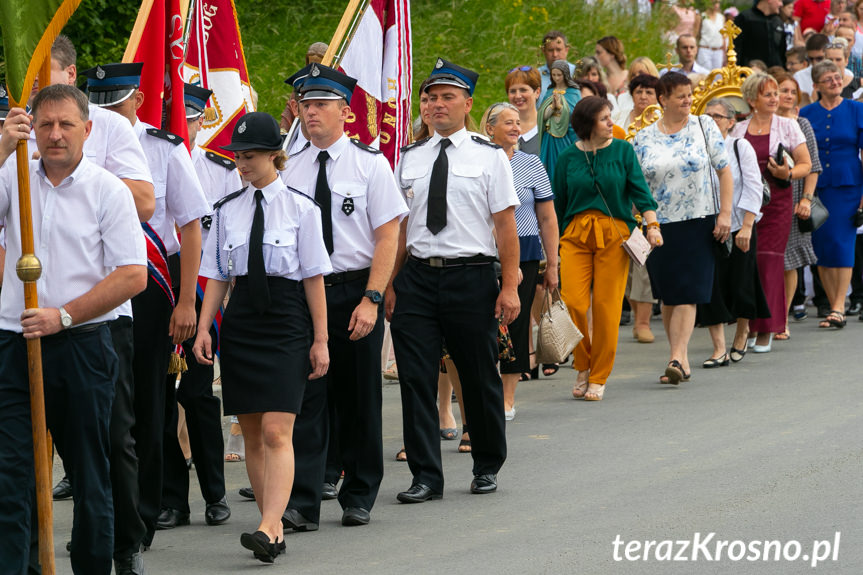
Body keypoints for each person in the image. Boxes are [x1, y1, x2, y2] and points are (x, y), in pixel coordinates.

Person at [0, 85, 147, 575]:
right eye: (45, 125)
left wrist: (62, 314)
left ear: (88, 129)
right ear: (32, 132)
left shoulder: (108, 190)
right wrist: (2, 148)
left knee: (89, 474)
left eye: (66, 124)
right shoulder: (13, 177)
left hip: (82, 343)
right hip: (14, 342)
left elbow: (132, 274)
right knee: (11, 473)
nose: (55, 134)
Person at [192, 111, 330, 562]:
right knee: (251, 429)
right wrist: (203, 328)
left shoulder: (302, 208)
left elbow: (313, 277)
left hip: (287, 319)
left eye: (250, 156)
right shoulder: (226, 209)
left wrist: (321, 338)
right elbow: (214, 275)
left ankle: (272, 525)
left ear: (275, 156)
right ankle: (268, 525)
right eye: (237, 156)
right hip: (243, 321)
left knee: (276, 428)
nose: (242, 165)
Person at [85, 62, 213, 546]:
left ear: (137, 100)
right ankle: (106, 516)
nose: (107, 113)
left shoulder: (163, 149)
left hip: (153, 292)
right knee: (103, 407)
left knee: (150, 405)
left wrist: (186, 302)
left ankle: (147, 510)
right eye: (98, 104)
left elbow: (189, 225)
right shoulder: (81, 145)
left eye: (115, 103)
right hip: (97, 288)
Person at [43, 36, 155, 575]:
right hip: (30, 321)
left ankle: (121, 545)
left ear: (69, 72)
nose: (54, 132)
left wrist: (83, 180)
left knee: (110, 438)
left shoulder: (109, 126)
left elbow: (145, 200)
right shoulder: (19, 127)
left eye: (46, 73)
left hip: (100, 319)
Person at [388, 58, 520, 502]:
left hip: (471, 276)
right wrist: (388, 284)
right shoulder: (408, 159)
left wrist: (510, 286)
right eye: (430, 98)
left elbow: (505, 225)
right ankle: (426, 474)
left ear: (467, 104)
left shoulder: (488, 157)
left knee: (479, 374)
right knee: (415, 378)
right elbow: (400, 230)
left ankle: (486, 463)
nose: (437, 104)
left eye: (447, 97)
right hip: (419, 278)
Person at [281, 63, 406, 529]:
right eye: (305, 104)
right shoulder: (287, 168)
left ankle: (359, 493)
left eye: (320, 105)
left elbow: (387, 235)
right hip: (302, 294)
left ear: (345, 111)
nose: (310, 113)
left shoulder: (370, 165)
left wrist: (372, 298)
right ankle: (303, 500)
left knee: (359, 398)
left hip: (354, 288)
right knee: (308, 398)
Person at [157, 83, 238, 533]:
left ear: (203, 119)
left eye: (189, 118)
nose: (181, 126)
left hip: (205, 295)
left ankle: (215, 493)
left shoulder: (220, 170)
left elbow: (229, 237)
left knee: (197, 395)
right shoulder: (146, 158)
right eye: (173, 118)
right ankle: (172, 498)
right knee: (158, 400)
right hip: (155, 285)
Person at [554, 97, 661, 401]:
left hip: (614, 235)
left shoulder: (623, 151)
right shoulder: (566, 158)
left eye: (610, 117)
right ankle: (583, 363)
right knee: (572, 302)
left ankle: (599, 375)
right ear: (587, 124)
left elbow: (642, 193)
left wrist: (652, 226)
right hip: (575, 234)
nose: (611, 123)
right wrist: (554, 246)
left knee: (606, 307)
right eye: (603, 119)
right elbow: (558, 205)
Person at [632, 72, 734, 385]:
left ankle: (676, 356)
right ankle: (682, 359)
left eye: (689, 95)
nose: (688, 101)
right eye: (680, 96)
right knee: (670, 296)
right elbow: (637, 186)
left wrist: (725, 214)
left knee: (689, 292)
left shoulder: (704, 126)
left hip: (700, 220)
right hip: (659, 226)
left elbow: (724, 172)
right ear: (663, 99)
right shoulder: (643, 138)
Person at [479, 101, 558, 416]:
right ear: (489, 128)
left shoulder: (531, 163)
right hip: (482, 252)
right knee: (482, 325)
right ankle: (481, 389)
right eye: (508, 122)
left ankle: (506, 398)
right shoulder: (478, 161)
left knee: (515, 324)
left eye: (518, 122)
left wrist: (552, 264)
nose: (516, 127)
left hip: (524, 251)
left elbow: (547, 218)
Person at [731, 72, 812, 351]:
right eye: (768, 94)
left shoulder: (788, 126)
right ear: (752, 100)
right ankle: (748, 326)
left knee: (768, 262)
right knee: (747, 263)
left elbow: (806, 164)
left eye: (776, 93)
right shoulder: (738, 130)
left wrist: (787, 173)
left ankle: (767, 328)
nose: (775, 98)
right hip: (745, 204)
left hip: (777, 202)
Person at [696, 98, 770, 365]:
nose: (711, 120)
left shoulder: (740, 146)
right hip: (706, 225)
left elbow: (753, 187)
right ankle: (719, 348)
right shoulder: (696, 148)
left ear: (731, 122)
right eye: (707, 116)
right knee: (711, 285)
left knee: (742, 282)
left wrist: (747, 226)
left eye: (717, 116)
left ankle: (742, 332)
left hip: (739, 223)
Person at [800, 60, 863, 328]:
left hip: (848, 186)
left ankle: (838, 306)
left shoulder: (856, 109)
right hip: (815, 186)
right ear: (816, 86)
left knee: (842, 243)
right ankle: (832, 302)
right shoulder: (806, 113)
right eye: (828, 79)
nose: (835, 82)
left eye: (837, 78)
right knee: (820, 246)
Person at [774, 71, 822, 339]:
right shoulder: (763, 123)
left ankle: (782, 318)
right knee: (767, 260)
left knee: (788, 261)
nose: (788, 96)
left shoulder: (802, 124)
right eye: (783, 90)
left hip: (794, 198)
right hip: (767, 199)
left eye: (792, 91)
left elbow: (813, 166)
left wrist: (806, 199)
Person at [537, 59, 581, 175]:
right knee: (549, 168)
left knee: (564, 166)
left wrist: (561, 108)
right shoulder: (550, 91)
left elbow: (577, 114)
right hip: (550, 136)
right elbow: (542, 115)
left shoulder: (573, 92)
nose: (556, 78)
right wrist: (552, 107)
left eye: (559, 75)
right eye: (554, 75)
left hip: (566, 136)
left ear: (565, 74)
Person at [736, 0, 788, 68]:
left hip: (775, 73)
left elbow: (782, 51)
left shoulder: (777, 21)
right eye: (779, 0)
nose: (781, 4)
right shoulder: (746, 18)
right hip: (752, 72)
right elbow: (737, 47)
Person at [506, 66, 542, 155]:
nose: (518, 96)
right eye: (513, 91)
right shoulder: (500, 129)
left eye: (523, 90)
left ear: (537, 92)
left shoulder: (548, 129)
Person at [537, 30, 577, 106]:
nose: (555, 54)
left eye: (558, 50)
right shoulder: (536, 76)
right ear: (543, 51)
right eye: (550, 50)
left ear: (566, 50)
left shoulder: (577, 72)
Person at [697, 0, 728, 70]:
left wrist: (725, 53)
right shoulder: (701, 16)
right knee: (705, 74)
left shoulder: (721, 17)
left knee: (718, 75)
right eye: (714, 3)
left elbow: (723, 37)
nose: (716, 5)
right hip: (705, 49)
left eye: (718, 3)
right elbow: (696, 34)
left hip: (718, 50)